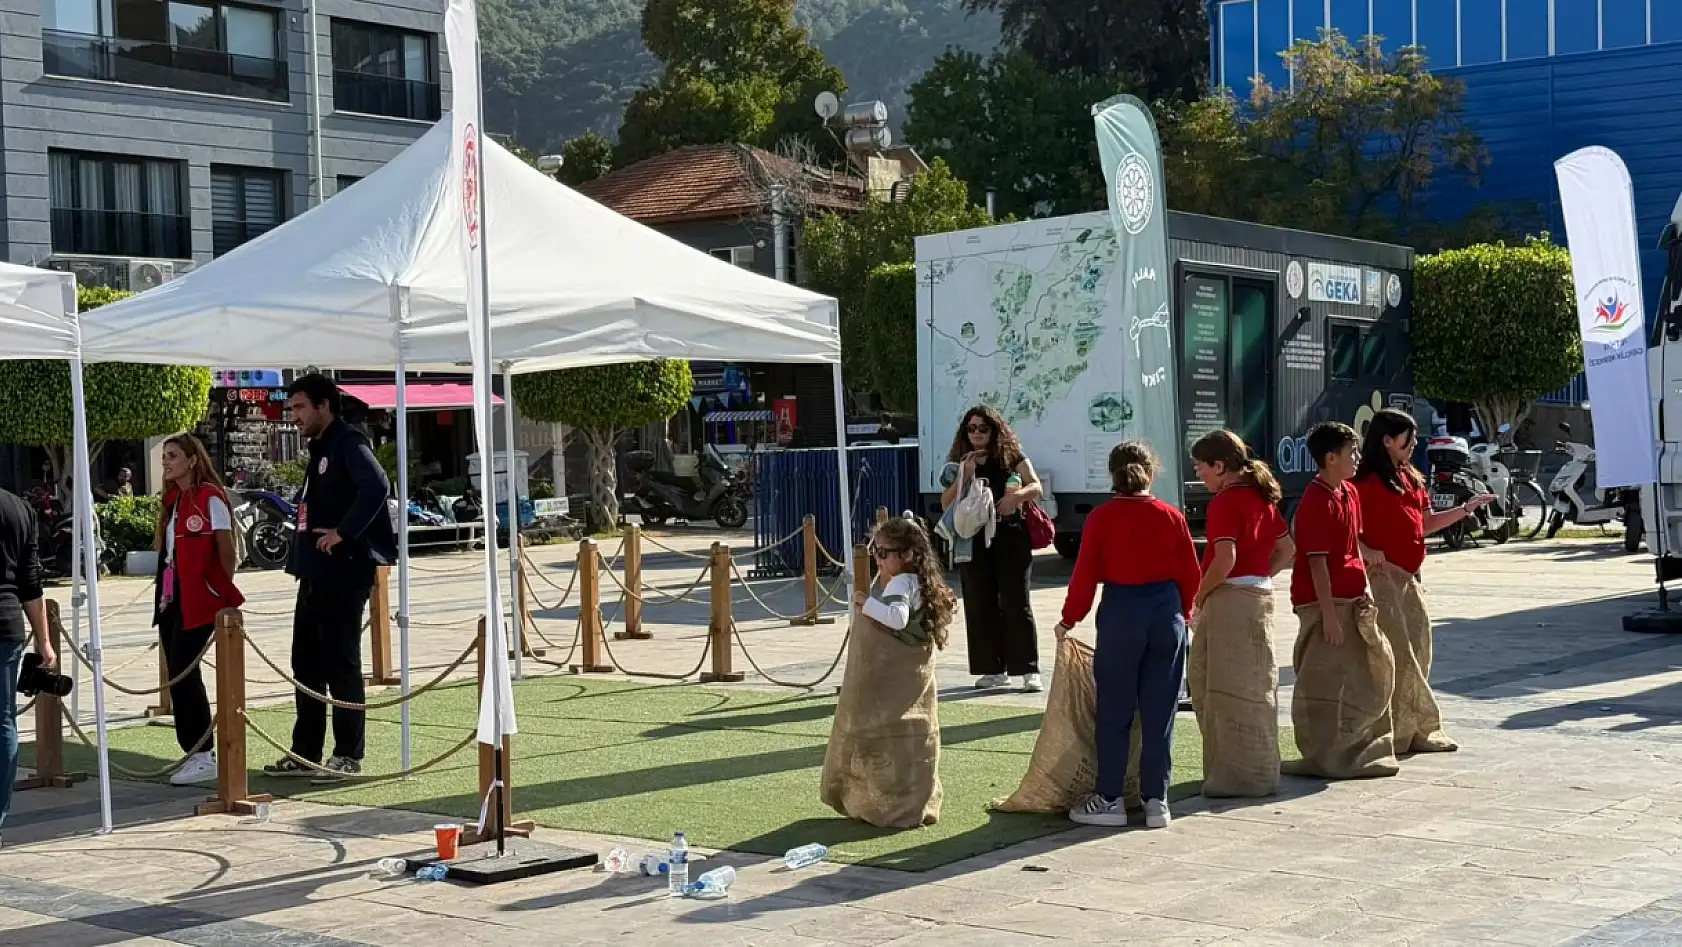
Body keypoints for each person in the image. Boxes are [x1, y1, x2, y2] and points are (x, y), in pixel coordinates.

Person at [1055, 441, 1199, 828]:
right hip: (1166, 613)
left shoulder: (1101, 518)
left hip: (1121, 612)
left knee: (1115, 711)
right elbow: (1191, 573)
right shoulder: (1172, 516)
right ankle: (1157, 801)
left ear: (1112, 474)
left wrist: (1069, 619)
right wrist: (1185, 614)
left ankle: (1110, 798)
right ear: (1150, 473)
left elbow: (1084, 575)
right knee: (1160, 713)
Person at [264, 374, 394, 781]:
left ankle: (348, 754)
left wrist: (345, 531)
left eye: (300, 407)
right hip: (314, 571)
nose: (294, 416)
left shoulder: (348, 441)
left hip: (344, 569)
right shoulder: (321, 446)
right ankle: (306, 752)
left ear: (324, 405)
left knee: (341, 664)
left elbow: (377, 485)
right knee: (305, 662)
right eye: (292, 409)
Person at [1354, 408, 1492, 756]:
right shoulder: (1363, 482)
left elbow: (1425, 524)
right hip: (1382, 578)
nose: (1414, 445)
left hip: (1411, 578)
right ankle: (1401, 732)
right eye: (1407, 439)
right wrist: (1365, 548)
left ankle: (1412, 730)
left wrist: (1465, 509)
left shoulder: (1411, 477)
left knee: (1420, 650)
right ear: (1387, 440)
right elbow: (1346, 530)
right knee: (1399, 655)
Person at [820, 515, 956, 828]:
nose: (878, 559)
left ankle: (882, 801)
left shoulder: (900, 583)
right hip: (916, 673)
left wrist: (863, 602)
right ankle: (919, 799)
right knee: (918, 733)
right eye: (875, 552)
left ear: (906, 555)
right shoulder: (924, 582)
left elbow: (896, 617)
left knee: (880, 733)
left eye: (884, 553)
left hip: (895, 675)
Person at [1285, 422, 1400, 780]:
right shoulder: (1315, 500)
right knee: (1321, 682)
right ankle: (1321, 755)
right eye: (1351, 453)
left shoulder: (1348, 493)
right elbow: (1316, 563)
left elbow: (1353, 547)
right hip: (1324, 603)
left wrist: (1363, 588)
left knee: (1363, 672)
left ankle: (1357, 748)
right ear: (1329, 458)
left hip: (1351, 598)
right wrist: (1330, 617)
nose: (1357, 459)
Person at [1188, 430, 1293, 798]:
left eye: (1201, 468)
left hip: (1230, 599)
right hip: (1260, 596)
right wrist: (1261, 574)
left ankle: (1233, 776)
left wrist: (1199, 596)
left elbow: (1224, 559)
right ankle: (1261, 769)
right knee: (1257, 687)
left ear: (1219, 465)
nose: (1199, 475)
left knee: (1223, 689)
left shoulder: (1225, 502)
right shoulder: (1262, 496)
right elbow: (1287, 549)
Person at [153, 435, 244, 786]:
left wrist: (219, 592)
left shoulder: (210, 497)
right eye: (164, 456)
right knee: (177, 674)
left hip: (202, 600)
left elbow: (227, 550)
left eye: (173, 455)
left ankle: (205, 754)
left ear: (193, 460)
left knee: (185, 670)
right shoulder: (174, 499)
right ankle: (194, 750)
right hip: (172, 599)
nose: (166, 462)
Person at [941, 406, 1044, 692]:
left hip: (1010, 535)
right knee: (978, 601)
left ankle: (1027, 669)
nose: (976, 434)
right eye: (970, 428)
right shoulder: (959, 462)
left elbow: (1036, 486)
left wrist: (1018, 496)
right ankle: (991, 669)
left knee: (1015, 600)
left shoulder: (1012, 457)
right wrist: (965, 474)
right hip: (973, 538)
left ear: (994, 430)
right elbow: (946, 503)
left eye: (982, 428)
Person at [0, 484, 52, 843]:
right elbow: (30, 583)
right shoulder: (18, 507)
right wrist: (45, 639)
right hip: (7, 624)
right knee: (3, 719)